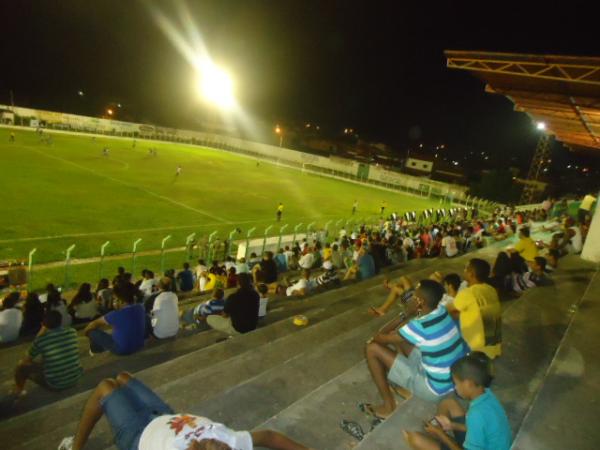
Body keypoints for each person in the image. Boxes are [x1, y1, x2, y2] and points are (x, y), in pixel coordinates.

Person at [57, 371, 311, 450]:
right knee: (123, 378)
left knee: (106, 387)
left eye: (210, 446)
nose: (214, 440)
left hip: (137, 434)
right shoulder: (232, 442)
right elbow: (269, 437)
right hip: (166, 414)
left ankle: (75, 448)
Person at [362, 280, 468, 420]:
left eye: (414, 295)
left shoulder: (420, 326)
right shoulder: (441, 311)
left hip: (434, 389)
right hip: (451, 380)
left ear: (419, 301)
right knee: (403, 335)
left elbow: (378, 338)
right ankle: (407, 386)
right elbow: (403, 333)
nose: (410, 297)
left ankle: (389, 407)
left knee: (371, 349)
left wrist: (406, 313)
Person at [403, 352, 511, 450]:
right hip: (483, 442)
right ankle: (440, 434)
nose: (455, 388)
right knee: (448, 403)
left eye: (456, 383)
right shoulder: (487, 394)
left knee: (414, 439)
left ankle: (440, 436)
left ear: (469, 383)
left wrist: (441, 434)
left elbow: (476, 423)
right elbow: (479, 428)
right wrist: (452, 425)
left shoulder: (476, 415)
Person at [13, 310, 83, 397]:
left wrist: (39, 334)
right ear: (60, 321)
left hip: (55, 384)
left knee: (21, 368)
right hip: (75, 378)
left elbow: (26, 359)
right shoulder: (72, 332)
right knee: (47, 359)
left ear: (43, 324)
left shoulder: (41, 340)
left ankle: (19, 390)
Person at [447, 259, 502, 359]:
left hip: (476, 349)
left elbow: (446, 310)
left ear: (471, 274)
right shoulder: (491, 289)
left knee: (446, 318)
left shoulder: (468, 293)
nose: (463, 271)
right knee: (458, 314)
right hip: (493, 346)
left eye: (465, 269)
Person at [84, 282, 145, 356]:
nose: (114, 301)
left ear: (120, 299)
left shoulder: (116, 314)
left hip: (121, 350)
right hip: (139, 345)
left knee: (92, 331)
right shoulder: (140, 307)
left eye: (115, 299)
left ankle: (97, 350)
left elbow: (92, 324)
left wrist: (86, 333)